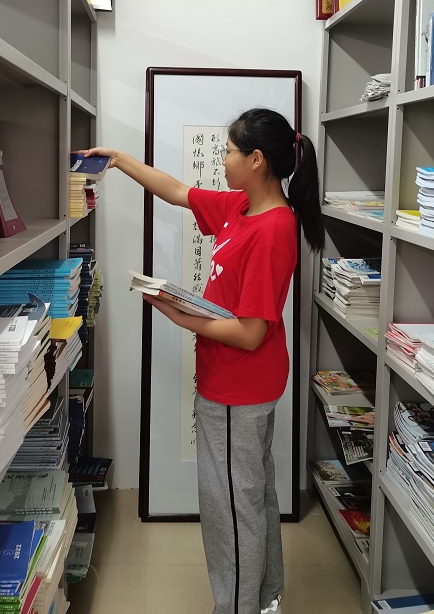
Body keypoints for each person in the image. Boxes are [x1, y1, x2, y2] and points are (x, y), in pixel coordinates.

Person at [78, 108, 324, 614]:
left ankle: (237, 607)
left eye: (229, 151)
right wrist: (119, 158)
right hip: (235, 383)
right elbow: (176, 191)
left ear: (257, 160)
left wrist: (180, 314)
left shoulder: (273, 229)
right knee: (250, 498)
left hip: (238, 388)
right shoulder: (241, 206)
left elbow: (251, 333)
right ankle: (265, 599)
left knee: (230, 509)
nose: (222, 159)